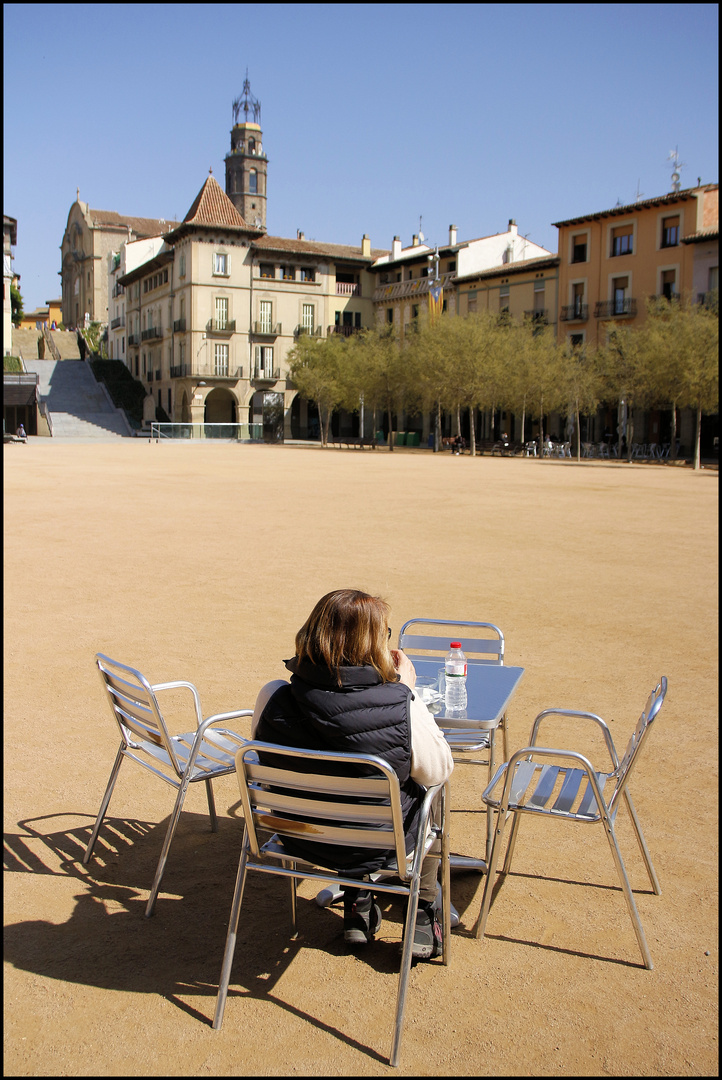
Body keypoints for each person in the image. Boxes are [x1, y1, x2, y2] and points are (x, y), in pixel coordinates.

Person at [252, 589, 454, 960]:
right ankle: (422, 909)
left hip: (299, 838)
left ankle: (358, 902)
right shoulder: (399, 707)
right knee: (431, 790)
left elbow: (265, 770)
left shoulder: (274, 697)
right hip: (380, 845)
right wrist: (407, 692)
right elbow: (441, 768)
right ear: (373, 643)